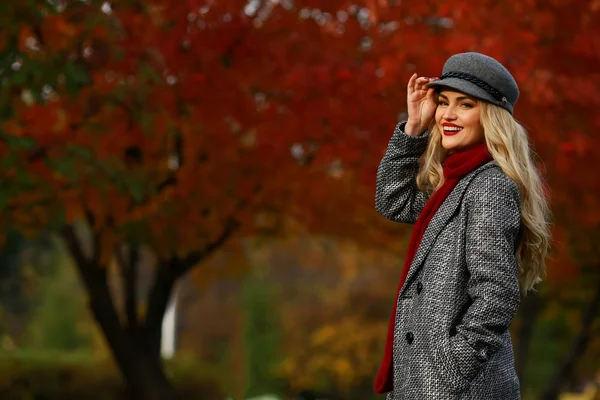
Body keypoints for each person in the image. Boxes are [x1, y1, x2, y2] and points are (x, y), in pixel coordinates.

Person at [373, 52, 552, 399]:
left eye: (465, 104)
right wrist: (413, 128)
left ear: (490, 116)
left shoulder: (488, 186)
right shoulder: (456, 181)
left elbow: (496, 295)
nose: (448, 115)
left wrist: (447, 372)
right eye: (443, 102)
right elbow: (393, 202)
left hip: (459, 389)